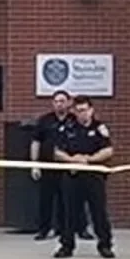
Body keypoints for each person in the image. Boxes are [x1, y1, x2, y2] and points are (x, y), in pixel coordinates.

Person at [51, 96, 115, 259]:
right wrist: (73, 160)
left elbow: (108, 151)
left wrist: (88, 160)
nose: (82, 114)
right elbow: (57, 152)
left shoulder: (99, 128)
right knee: (69, 213)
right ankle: (66, 246)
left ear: (91, 110)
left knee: (98, 212)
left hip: (94, 177)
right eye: (78, 111)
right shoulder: (67, 128)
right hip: (73, 177)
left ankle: (105, 245)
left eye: (84, 110)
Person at [28, 91, 91, 241]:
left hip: (69, 167)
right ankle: (44, 230)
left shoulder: (74, 120)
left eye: (62, 101)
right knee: (46, 200)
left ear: (69, 103)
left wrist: (80, 162)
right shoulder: (45, 120)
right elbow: (36, 142)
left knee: (74, 199)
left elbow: (82, 140)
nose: (59, 104)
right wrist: (34, 164)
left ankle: (80, 229)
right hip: (48, 166)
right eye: (56, 101)